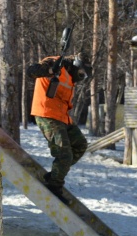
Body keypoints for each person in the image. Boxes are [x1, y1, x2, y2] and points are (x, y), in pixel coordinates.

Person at [27, 52, 92, 203]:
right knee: (64, 154)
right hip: (47, 113)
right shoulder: (55, 63)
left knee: (80, 145)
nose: (81, 77)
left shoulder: (70, 75)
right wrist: (50, 70)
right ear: (76, 65)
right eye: (81, 73)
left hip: (62, 116)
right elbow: (32, 70)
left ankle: (54, 176)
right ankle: (54, 187)